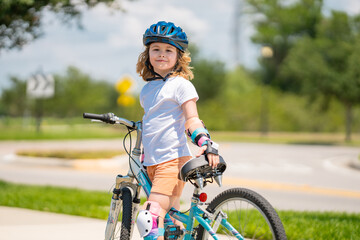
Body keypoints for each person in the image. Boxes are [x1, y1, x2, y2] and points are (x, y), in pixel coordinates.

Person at [135, 21, 220, 240]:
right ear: (147, 54)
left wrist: (204, 142)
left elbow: (191, 119)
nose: (161, 54)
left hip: (172, 160)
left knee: (150, 217)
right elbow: (155, 123)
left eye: (168, 50)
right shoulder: (147, 89)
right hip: (154, 161)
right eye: (156, 49)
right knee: (170, 220)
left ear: (178, 57)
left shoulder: (181, 85)